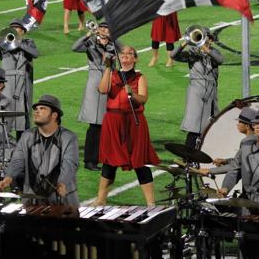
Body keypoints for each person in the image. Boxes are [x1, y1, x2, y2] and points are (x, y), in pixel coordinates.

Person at [0, 94, 82, 259]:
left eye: (42, 109)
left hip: (62, 208)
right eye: (36, 108)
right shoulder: (27, 136)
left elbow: (70, 164)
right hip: (33, 208)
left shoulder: (68, 138)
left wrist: (62, 182)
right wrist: (9, 177)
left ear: (55, 115)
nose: (37, 111)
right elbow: (18, 159)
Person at [95, 46, 160, 206]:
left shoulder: (139, 77)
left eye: (129, 53)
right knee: (109, 161)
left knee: (139, 162)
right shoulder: (112, 73)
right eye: (122, 53)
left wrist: (132, 93)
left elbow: (143, 99)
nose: (125, 55)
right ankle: (100, 200)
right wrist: (108, 68)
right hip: (112, 121)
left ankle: (151, 203)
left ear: (135, 59)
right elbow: (102, 89)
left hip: (133, 123)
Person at [72, 21, 119, 170]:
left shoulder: (114, 45)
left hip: (110, 82)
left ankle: (103, 157)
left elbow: (123, 52)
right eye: (102, 28)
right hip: (94, 84)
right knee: (95, 124)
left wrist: (113, 38)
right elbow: (75, 47)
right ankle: (90, 160)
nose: (104, 30)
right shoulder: (91, 43)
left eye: (107, 28)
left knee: (106, 123)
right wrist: (89, 34)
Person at [0, 19, 38, 140]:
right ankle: (3, 148)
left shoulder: (29, 43)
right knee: (5, 116)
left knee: (22, 118)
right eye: (12, 28)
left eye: (17, 28)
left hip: (22, 85)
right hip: (7, 86)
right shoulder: (4, 46)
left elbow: (35, 53)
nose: (14, 30)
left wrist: (19, 43)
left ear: (23, 31)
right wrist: (1, 38)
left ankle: (22, 145)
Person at [170, 29, 223, 148]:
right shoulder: (192, 52)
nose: (203, 40)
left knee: (211, 124)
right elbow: (173, 55)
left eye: (206, 37)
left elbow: (220, 60)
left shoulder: (214, 52)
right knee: (194, 125)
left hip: (210, 91)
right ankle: (188, 155)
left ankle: (208, 151)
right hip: (196, 91)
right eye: (201, 37)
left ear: (211, 40)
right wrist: (185, 43)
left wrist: (207, 50)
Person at [197, 106, 257, 177]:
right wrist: (225, 161)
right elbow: (240, 161)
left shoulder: (249, 143)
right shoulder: (254, 139)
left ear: (247, 126)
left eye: (239, 122)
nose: (237, 124)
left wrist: (209, 171)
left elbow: (236, 166)